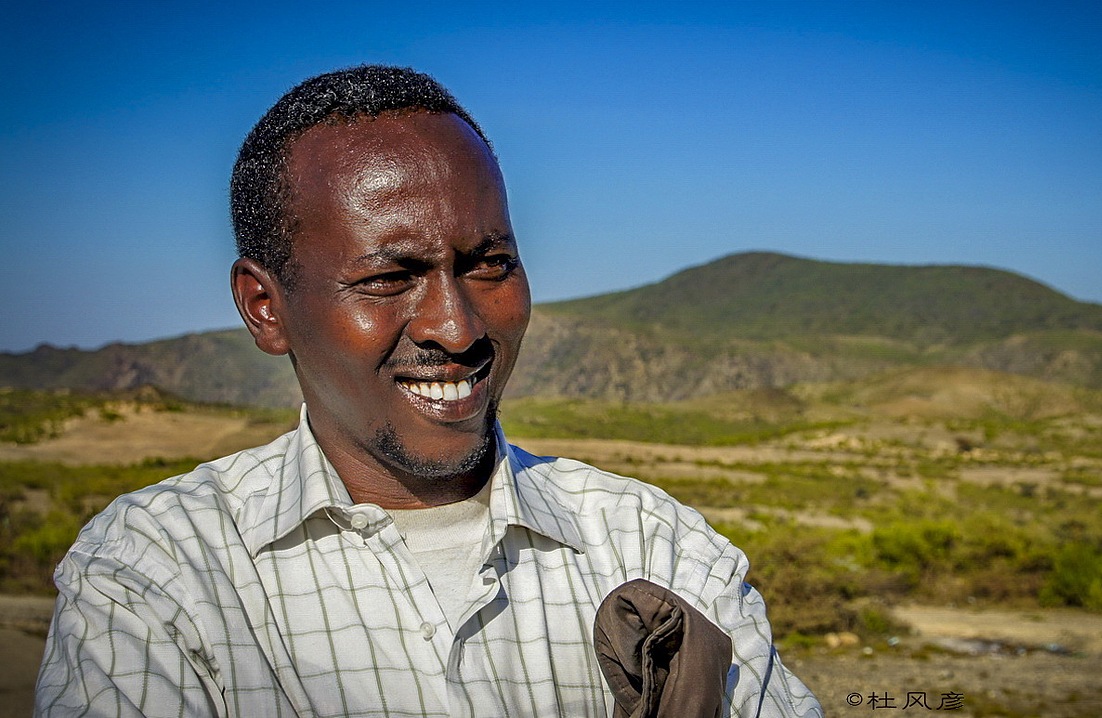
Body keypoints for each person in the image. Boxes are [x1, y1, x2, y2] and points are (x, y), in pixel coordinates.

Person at [35, 65, 821, 717]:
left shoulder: (660, 546)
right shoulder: (157, 573)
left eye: (489, 263)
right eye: (388, 278)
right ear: (266, 308)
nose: (456, 325)